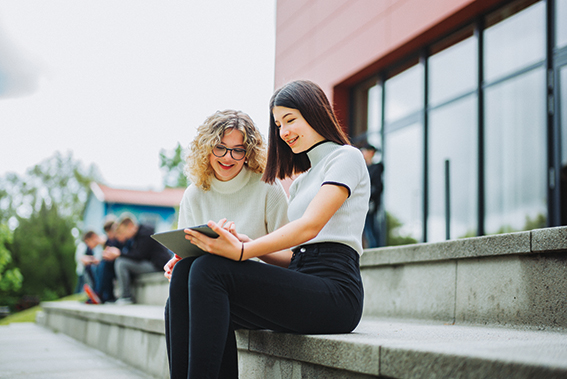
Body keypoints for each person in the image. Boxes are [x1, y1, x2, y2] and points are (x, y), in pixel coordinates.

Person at [173, 80, 370, 378]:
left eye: (290, 120)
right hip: (303, 280)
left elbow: (310, 226)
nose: (284, 132)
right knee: (187, 273)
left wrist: (242, 251)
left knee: (209, 270)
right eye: (278, 124)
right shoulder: (303, 179)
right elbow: (296, 257)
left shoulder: (346, 157)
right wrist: (246, 241)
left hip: (337, 294)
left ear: (315, 113)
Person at [164, 109, 290, 376]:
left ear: (249, 153)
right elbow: (189, 251)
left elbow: (290, 252)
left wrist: (242, 247)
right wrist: (177, 261)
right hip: (207, 284)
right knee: (183, 276)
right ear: (207, 149)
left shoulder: (268, 187)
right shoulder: (194, 193)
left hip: (256, 286)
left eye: (238, 150)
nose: (227, 157)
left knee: (205, 278)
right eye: (220, 148)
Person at [104, 214, 171, 304]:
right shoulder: (136, 236)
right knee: (121, 262)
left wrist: (119, 253)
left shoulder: (145, 232)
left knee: (121, 262)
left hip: (157, 266)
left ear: (130, 226)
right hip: (149, 264)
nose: (125, 235)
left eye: (124, 231)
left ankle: (126, 297)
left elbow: (139, 255)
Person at [360, 143, 384, 248]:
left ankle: (375, 249)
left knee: (371, 229)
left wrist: (368, 195)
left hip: (370, 204)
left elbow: (378, 187)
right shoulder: (364, 168)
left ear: (371, 153)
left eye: (364, 151)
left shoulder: (376, 168)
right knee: (367, 229)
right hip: (364, 203)